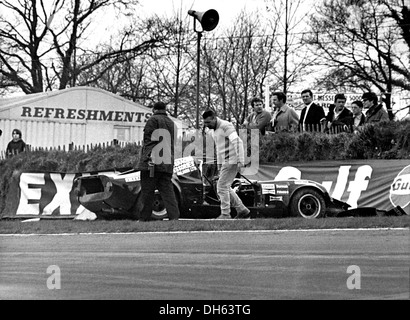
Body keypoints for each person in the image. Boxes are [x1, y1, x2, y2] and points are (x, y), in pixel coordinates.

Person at [203, 109, 250, 219]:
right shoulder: (213, 131)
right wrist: (219, 166)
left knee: (221, 187)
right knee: (225, 187)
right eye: (205, 123)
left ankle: (225, 214)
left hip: (232, 160)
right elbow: (219, 150)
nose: (207, 125)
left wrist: (240, 161)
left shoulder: (226, 126)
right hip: (226, 161)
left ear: (214, 118)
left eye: (208, 122)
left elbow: (238, 142)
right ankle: (242, 210)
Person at [137, 101, 180, 221]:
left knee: (147, 191)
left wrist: (147, 158)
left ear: (153, 109)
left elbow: (148, 141)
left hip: (152, 163)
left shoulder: (152, 120)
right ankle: (174, 217)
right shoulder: (172, 123)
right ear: (165, 109)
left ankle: (144, 218)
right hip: (167, 162)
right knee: (168, 191)